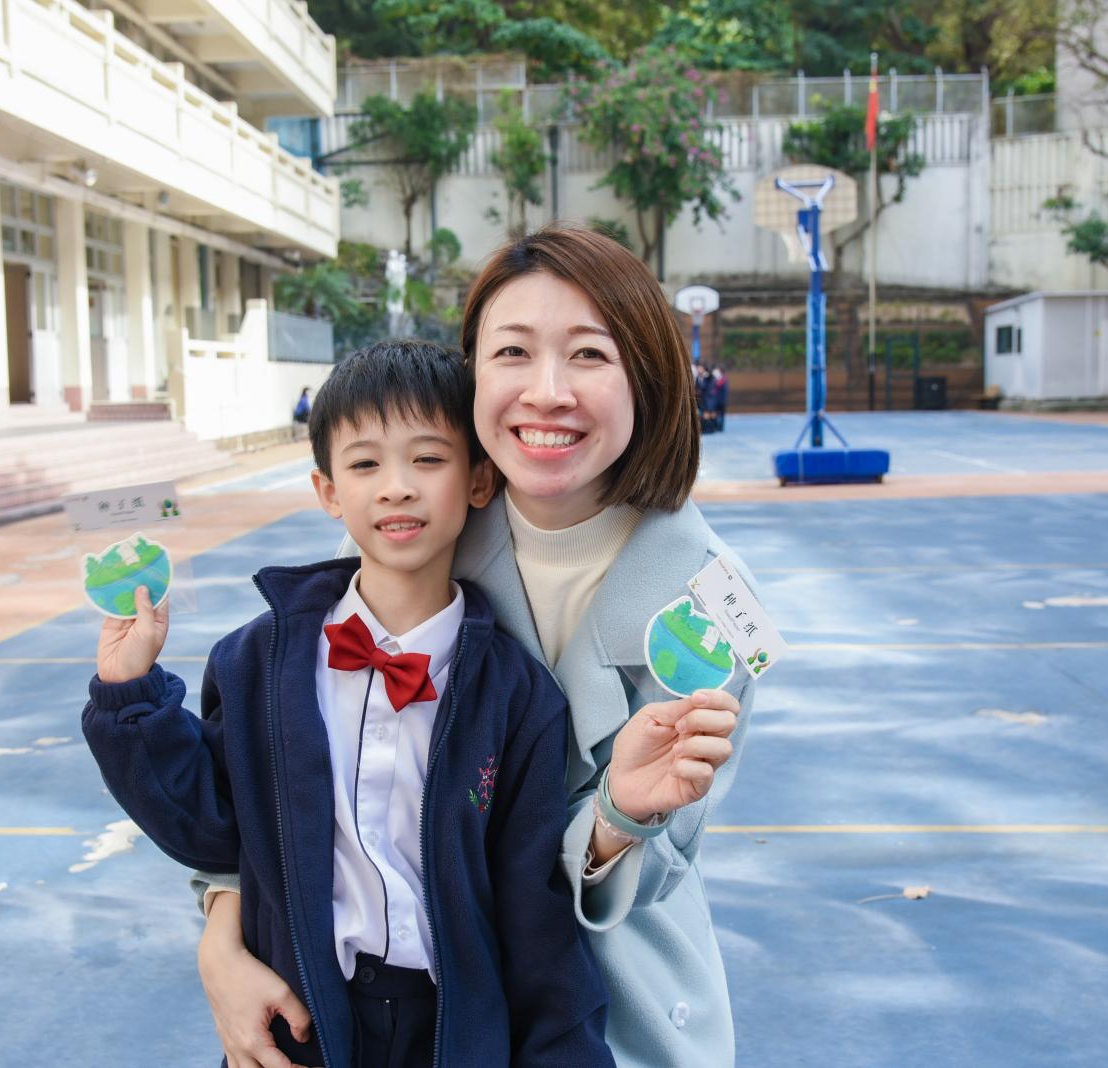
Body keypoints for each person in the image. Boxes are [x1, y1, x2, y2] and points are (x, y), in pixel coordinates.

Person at [194, 224, 754, 1068]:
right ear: (473, 376)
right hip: (412, 1017)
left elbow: (664, 861)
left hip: (614, 1007)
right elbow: (289, 758)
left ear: (646, 375)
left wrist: (619, 816)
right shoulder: (419, 525)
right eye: (513, 352)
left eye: (589, 355)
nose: (547, 392)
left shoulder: (717, 605)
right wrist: (222, 937)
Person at [83, 340, 615, 1068]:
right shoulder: (255, 662)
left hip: (450, 1033)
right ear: (329, 491)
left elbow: (533, 909)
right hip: (302, 1025)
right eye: (365, 465)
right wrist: (129, 695)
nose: (396, 488)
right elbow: (207, 829)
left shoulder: (516, 694)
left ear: (479, 479)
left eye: (428, 459)